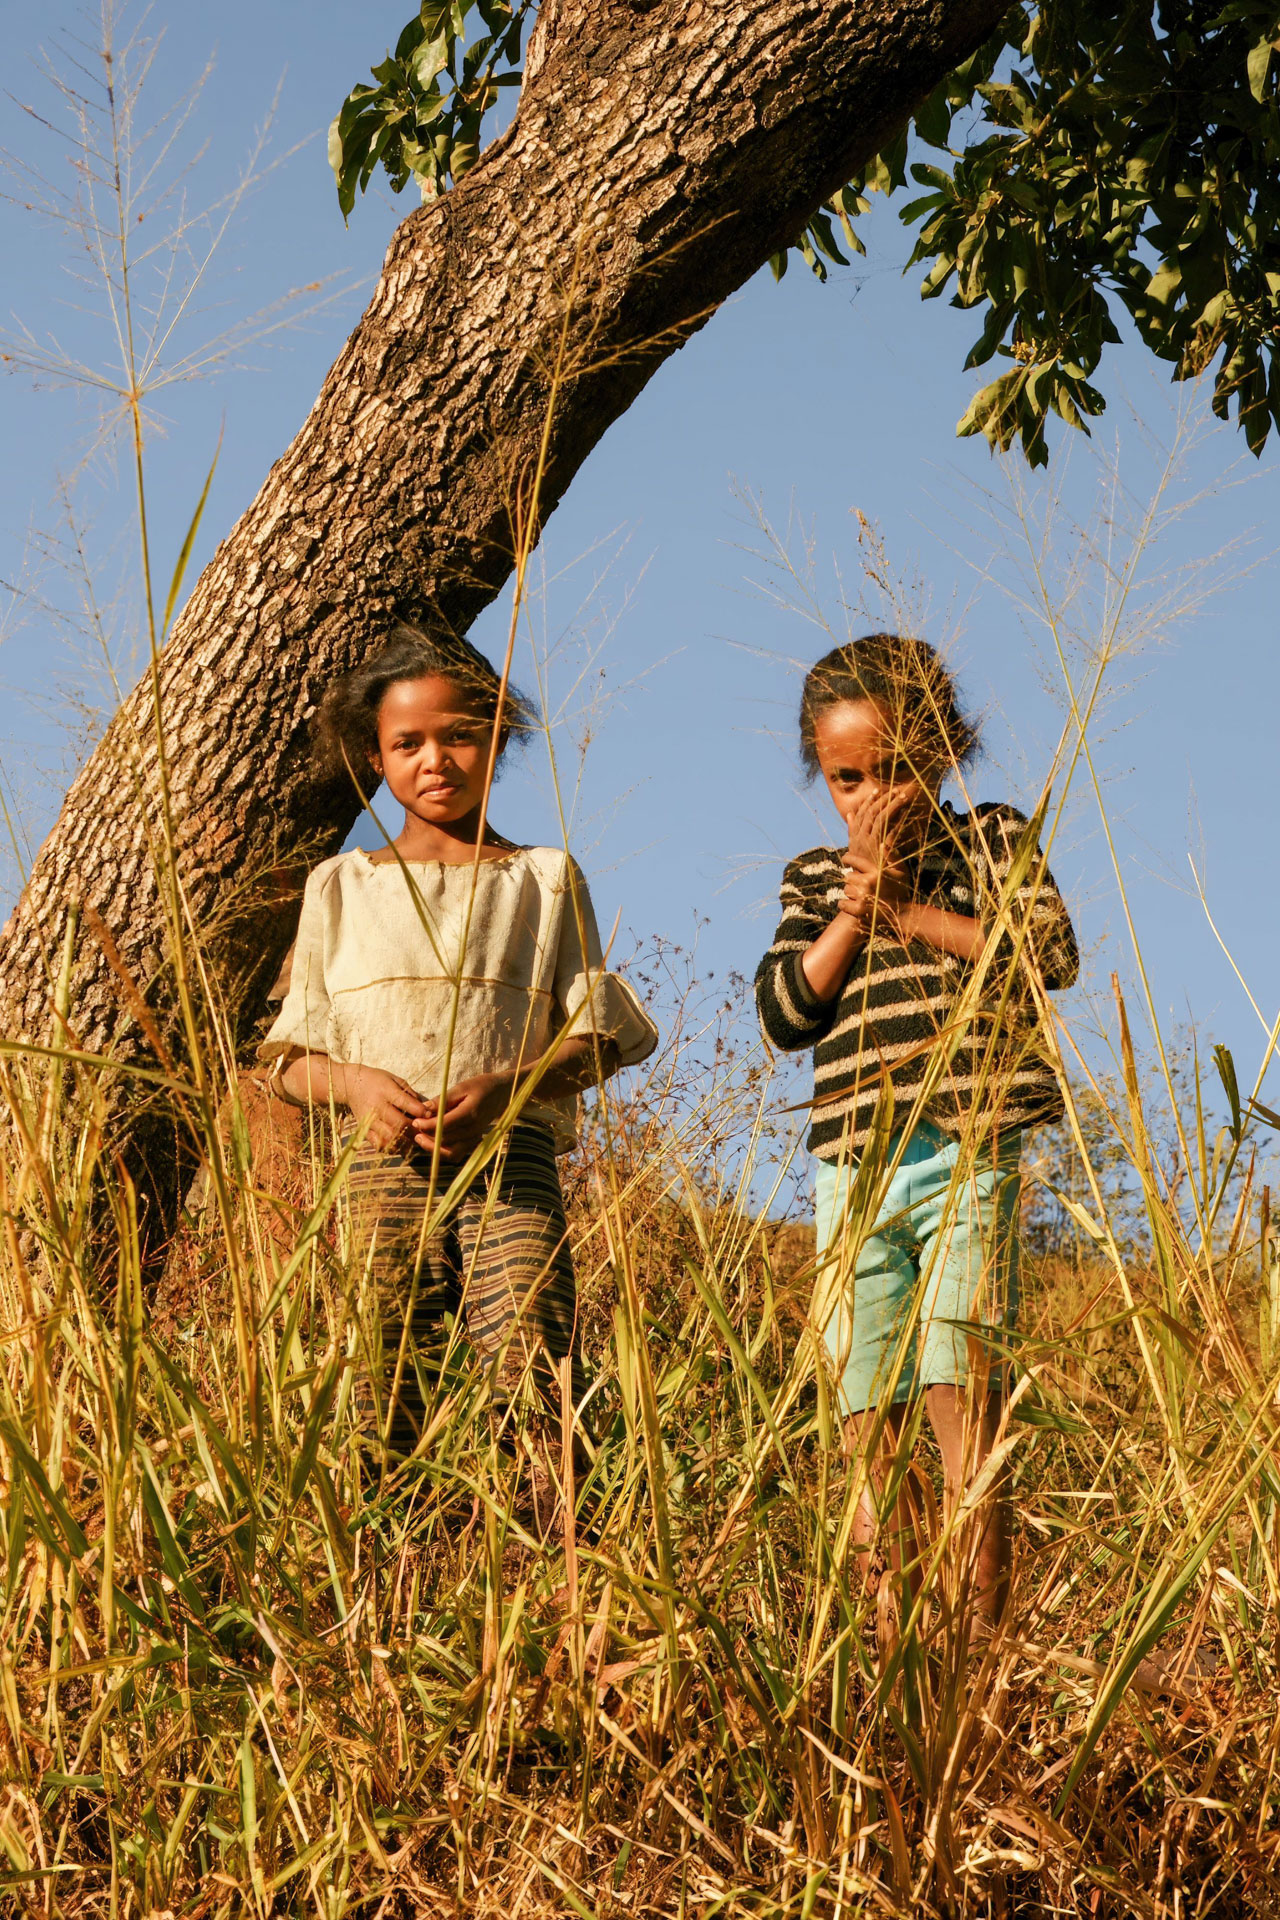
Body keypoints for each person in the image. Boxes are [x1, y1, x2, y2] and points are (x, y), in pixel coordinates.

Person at [261, 622, 658, 1501]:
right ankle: (395, 1580)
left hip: (510, 1160)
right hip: (377, 1169)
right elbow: (290, 1058)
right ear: (375, 755)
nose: (434, 760)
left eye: (460, 735)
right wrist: (359, 1086)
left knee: (538, 1366)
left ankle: (561, 1573)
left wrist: (508, 1089)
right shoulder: (341, 884)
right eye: (408, 743)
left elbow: (596, 1034)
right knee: (385, 1380)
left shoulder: (543, 878)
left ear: (499, 740)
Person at [755, 634, 1078, 1619]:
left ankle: (976, 1637)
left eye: (895, 769)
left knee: (958, 1373)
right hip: (854, 1167)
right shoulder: (815, 877)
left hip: (969, 1148)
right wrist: (855, 908)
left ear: (941, 751)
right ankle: (890, 1627)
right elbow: (782, 1012)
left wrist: (910, 912)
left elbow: (1042, 955)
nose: (871, 796)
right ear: (824, 777)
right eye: (848, 777)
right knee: (865, 1398)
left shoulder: (988, 838)